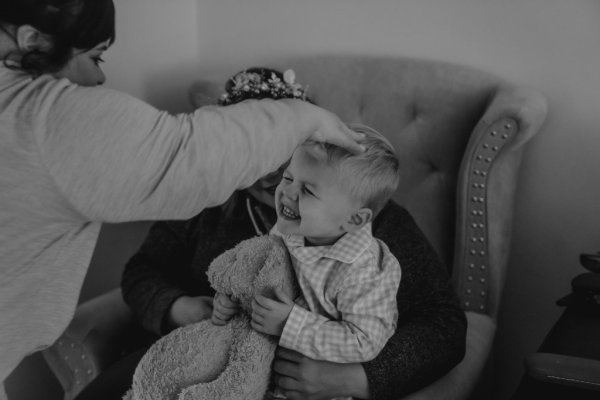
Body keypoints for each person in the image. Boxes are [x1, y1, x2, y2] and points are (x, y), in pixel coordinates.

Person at [0, 1, 364, 395]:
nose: (97, 78)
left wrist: (354, 377)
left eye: (299, 176)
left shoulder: (355, 214)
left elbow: (431, 323)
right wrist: (176, 307)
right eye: (93, 56)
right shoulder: (209, 208)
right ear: (30, 41)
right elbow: (148, 260)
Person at [77, 67, 468, 400]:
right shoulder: (209, 200)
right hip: (202, 353)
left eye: (279, 154)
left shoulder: (365, 224)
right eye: (251, 156)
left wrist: (355, 378)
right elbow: (142, 270)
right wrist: (181, 308)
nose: (270, 176)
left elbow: (444, 325)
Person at [214, 124, 402, 374]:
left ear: (354, 220)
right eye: (289, 178)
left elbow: (363, 341)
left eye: (308, 191)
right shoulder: (288, 230)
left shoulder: (365, 271)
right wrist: (231, 298)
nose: (287, 192)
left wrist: (289, 324)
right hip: (262, 362)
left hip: (320, 381)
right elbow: (258, 271)